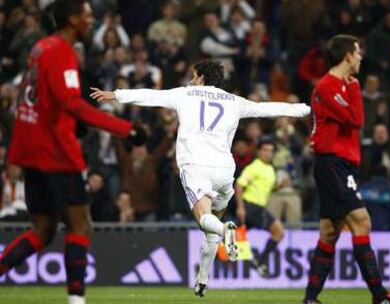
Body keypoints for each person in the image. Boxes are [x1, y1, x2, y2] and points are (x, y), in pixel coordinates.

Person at [90, 59, 310, 297]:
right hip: (225, 169)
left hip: (196, 166)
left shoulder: (186, 94)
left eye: (194, 76)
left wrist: (116, 94)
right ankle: (203, 279)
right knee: (211, 227)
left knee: (205, 219)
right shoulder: (235, 101)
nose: (191, 80)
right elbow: (267, 108)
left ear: (201, 78)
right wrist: (304, 109)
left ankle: (227, 232)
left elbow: (151, 96)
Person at [0, 1, 146, 304]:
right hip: (55, 152)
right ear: (72, 20)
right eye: (88, 16)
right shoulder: (62, 51)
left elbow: (30, 100)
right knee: (81, 224)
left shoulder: (40, 48)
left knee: (43, 230)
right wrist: (124, 127)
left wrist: (18, 153)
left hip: (32, 151)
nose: (92, 21)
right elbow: (73, 103)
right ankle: (76, 301)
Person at [303, 34, 390, 304]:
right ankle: (380, 296)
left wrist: (352, 88)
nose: (361, 56)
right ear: (347, 56)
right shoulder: (328, 86)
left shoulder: (343, 85)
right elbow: (357, 119)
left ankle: (310, 299)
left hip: (342, 164)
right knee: (362, 222)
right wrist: (353, 89)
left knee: (330, 231)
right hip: (332, 163)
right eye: (357, 52)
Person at [235, 140, 285, 278]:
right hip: (250, 207)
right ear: (259, 152)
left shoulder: (270, 169)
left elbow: (265, 188)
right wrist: (240, 207)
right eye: (265, 150)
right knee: (279, 232)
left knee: (234, 240)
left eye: (271, 150)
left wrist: (278, 187)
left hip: (259, 208)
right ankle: (260, 262)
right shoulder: (254, 167)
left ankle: (205, 265)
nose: (268, 153)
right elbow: (239, 186)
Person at [360, 165, 390, 231]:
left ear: (372, 174)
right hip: (386, 232)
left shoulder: (362, 189)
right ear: (387, 174)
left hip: (365, 231)